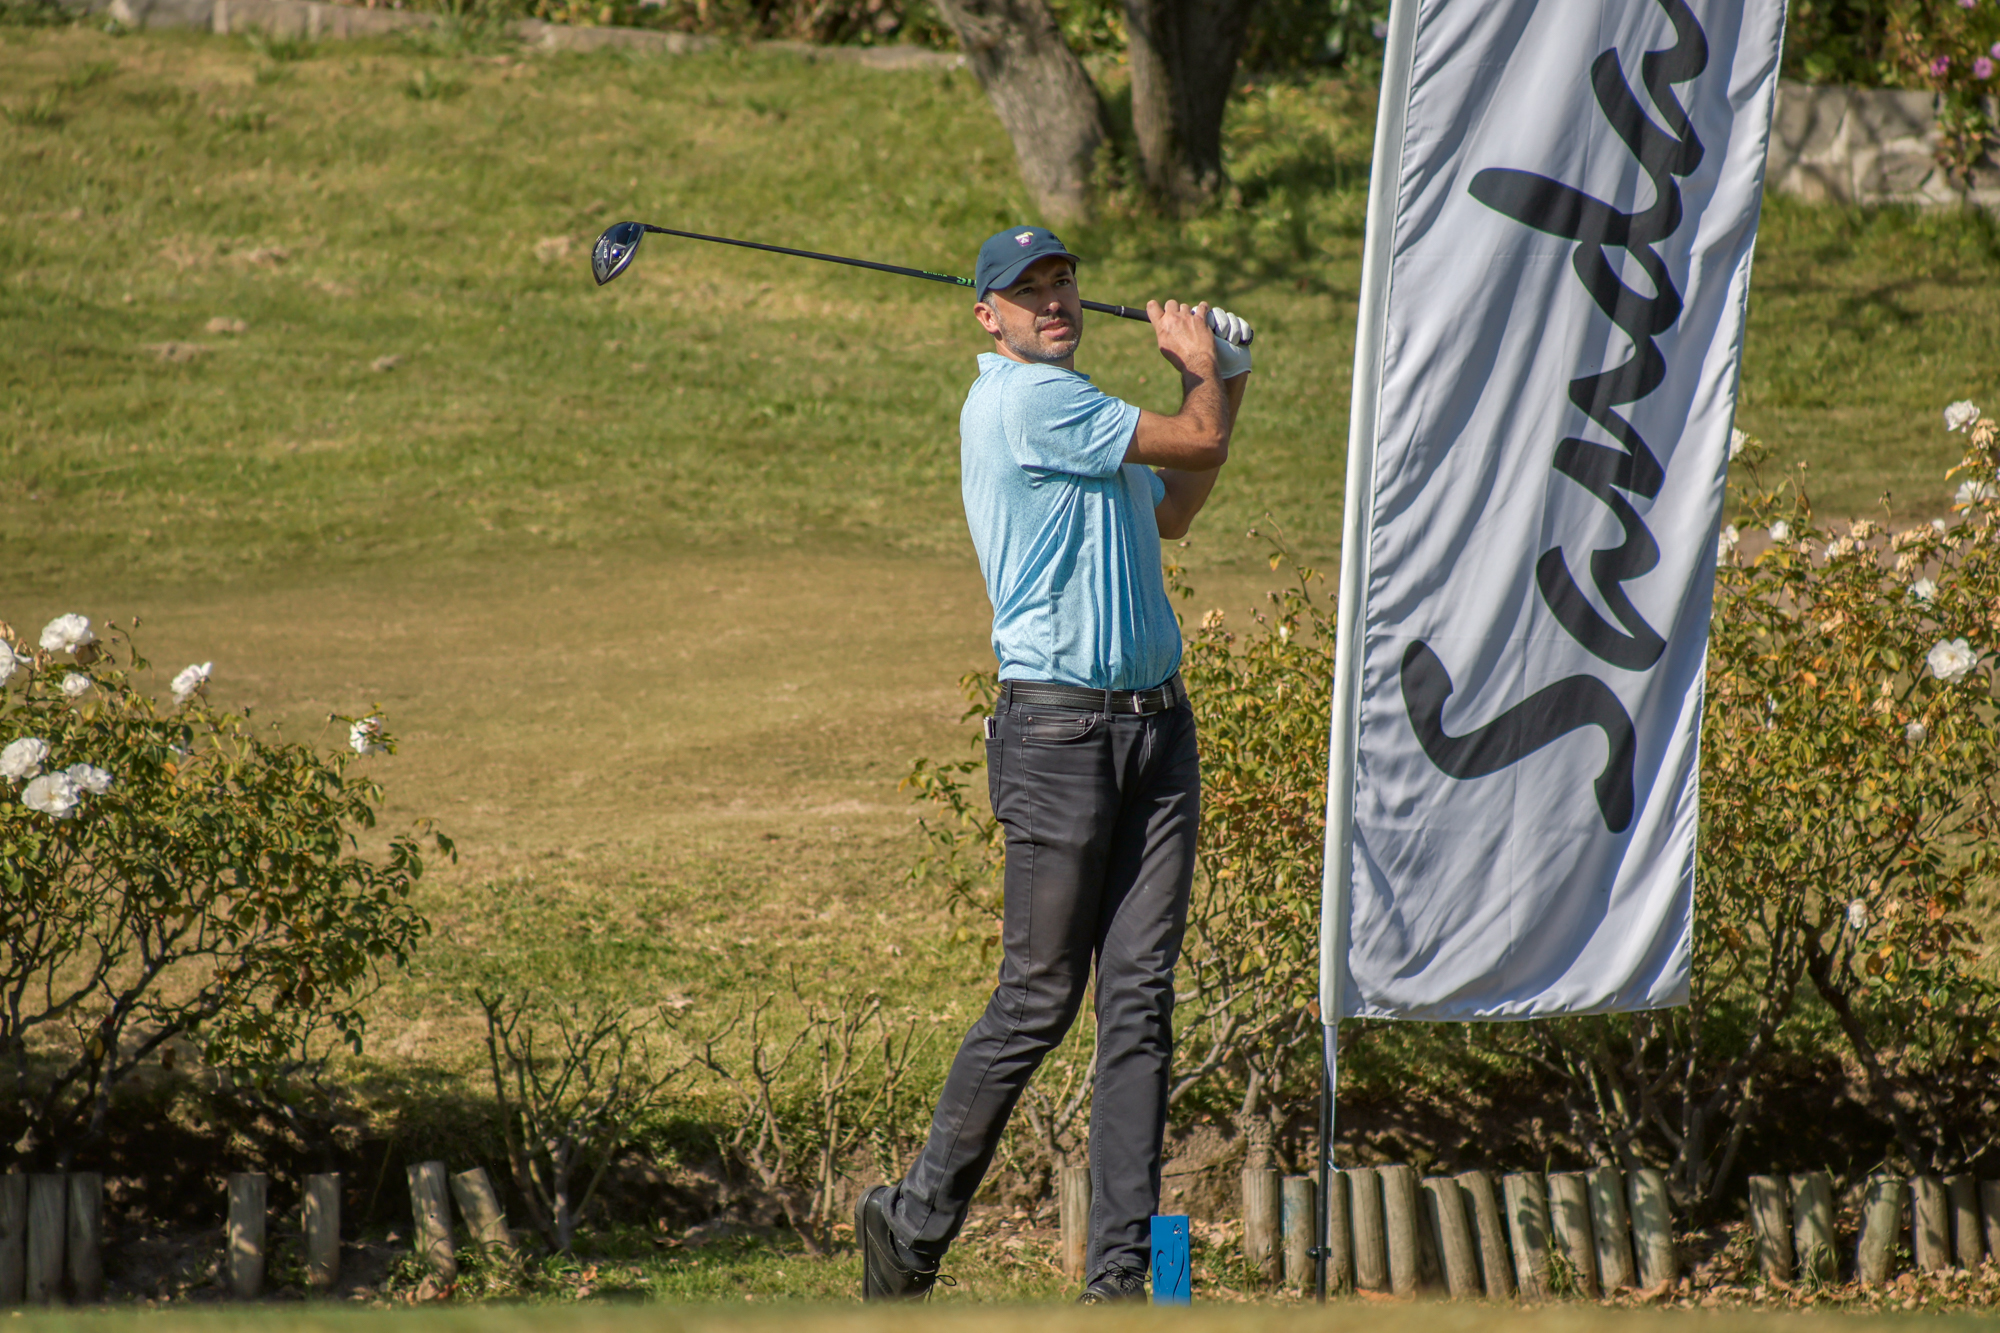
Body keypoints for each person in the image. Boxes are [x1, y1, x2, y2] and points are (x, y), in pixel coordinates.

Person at [857, 225, 1252, 1303]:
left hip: (1157, 732)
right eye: (1027, 291)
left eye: (1064, 281)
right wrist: (1203, 369)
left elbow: (1178, 508)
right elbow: (1198, 439)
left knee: (1140, 1002)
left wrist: (1226, 375)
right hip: (1061, 739)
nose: (1054, 301)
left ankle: (1124, 1282)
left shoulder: (1089, 421)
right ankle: (909, 1224)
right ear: (988, 317)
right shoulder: (1030, 402)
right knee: (1038, 998)